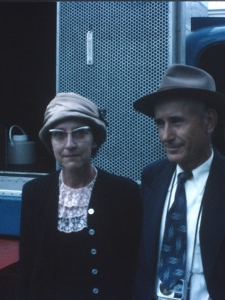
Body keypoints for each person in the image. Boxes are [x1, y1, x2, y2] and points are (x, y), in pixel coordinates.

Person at [132, 64, 225, 300]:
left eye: (177, 122)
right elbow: (142, 264)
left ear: (209, 121)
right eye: (160, 123)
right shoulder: (152, 177)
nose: (166, 135)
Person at [17, 92, 141, 300]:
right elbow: (27, 270)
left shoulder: (125, 193)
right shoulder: (34, 193)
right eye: (59, 135)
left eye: (79, 133)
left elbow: (134, 271)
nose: (69, 144)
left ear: (95, 139)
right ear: (51, 143)